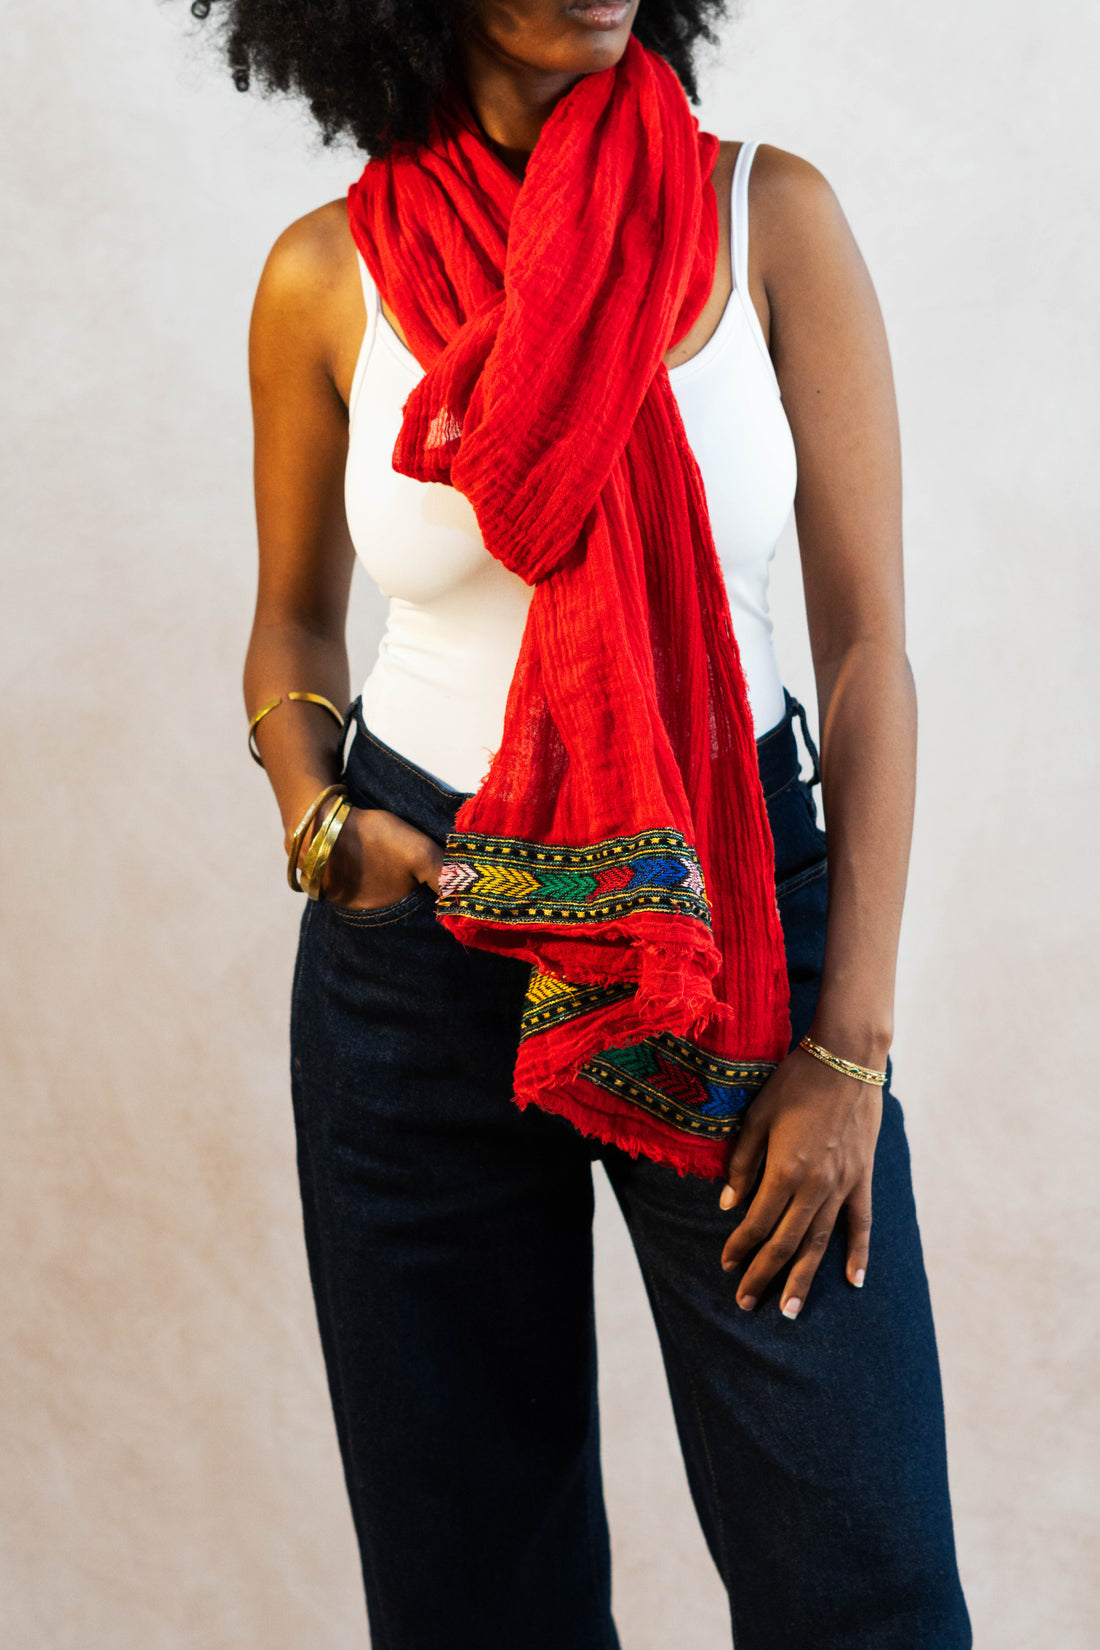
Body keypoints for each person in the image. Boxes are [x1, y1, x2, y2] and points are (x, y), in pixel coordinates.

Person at [199, 0, 972, 1641]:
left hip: (733, 917)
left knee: (866, 1576)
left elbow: (863, 648)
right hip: (418, 943)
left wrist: (850, 1044)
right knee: (475, 1584)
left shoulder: (769, 216)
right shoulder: (325, 275)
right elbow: (291, 622)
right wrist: (318, 823)